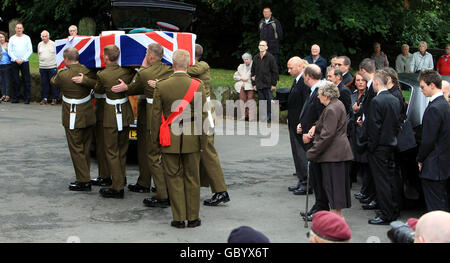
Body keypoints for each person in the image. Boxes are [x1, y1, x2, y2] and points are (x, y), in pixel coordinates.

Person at [151, 49, 207, 228]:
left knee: (173, 178)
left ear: (173, 65)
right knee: (192, 178)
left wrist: (156, 141)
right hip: (192, 138)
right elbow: (203, 117)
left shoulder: (162, 86)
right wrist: (203, 143)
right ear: (188, 65)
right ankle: (193, 218)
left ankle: (179, 218)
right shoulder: (197, 85)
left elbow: (155, 117)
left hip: (169, 138)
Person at [112, 43, 173, 207]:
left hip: (153, 115)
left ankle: (162, 194)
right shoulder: (169, 70)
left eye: (146, 52)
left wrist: (127, 85)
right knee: (160, 151)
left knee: (153, 153)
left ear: (150, 56)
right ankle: (147, 183)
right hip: (166, 115)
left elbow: (131, 89)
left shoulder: (145, 73)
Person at [187, 44, 230, 206]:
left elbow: (187, 71)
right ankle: (210, 188)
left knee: (208, 152)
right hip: (201, 113)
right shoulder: (196, 67)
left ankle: (221, 191)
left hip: (204, 113)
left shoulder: (201, 65)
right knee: (202, 152)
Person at [50, 48, 97, 191]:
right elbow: (97, 83)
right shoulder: (88, 72)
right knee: (85, 147)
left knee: (76, 148)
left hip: (72, 115)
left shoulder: (64, 74)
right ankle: (85, 175)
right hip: (88, 114)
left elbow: (53, 81)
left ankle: (83, 180)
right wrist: (86, 80)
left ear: (66, 59)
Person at [92, 45, 136, 198]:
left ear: (105, 58)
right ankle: (120, 178)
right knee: (122, 149)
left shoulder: (102, 75)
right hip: (125, 113)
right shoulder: (127, 71)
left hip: (111, 115)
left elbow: (98, 90)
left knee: (111, 151)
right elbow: (136, 77)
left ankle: (117, 187)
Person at [306, 81, 354, 217]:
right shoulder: (337, 105)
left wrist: (312, 152)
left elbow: (327, 136)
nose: (317, 96)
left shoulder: (332, 109)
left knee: (334, 190)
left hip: (334, 155)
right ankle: (336, 219)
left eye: (319, 94)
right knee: (336, 190)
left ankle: (336, 222)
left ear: (326, 95)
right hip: (338, 153)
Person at [361, 69, 402, 225]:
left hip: (379, 147)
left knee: (381, 181)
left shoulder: (377, 101)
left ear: (376, 83)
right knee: (390, 179)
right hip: (391, 144)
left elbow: (374, 128)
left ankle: (386, 213)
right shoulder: (395, 99)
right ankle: (393, 209)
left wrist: (371, 146)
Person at [417, 70, 450, 212]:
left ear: (432, 85)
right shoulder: (444, 105)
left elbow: (428, 140)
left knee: (435, 206)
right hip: (442, 163)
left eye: (423, 86)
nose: (421, 90)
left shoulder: (434, 108)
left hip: (434, 165)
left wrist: (420, 158)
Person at [297, 65, 326, 220]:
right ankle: (318, 205)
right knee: (314, 176)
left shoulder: (320, 91)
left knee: (317, 176)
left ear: (308, 76)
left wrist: (312, 130)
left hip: (315, 141)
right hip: (309, 137)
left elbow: (322, 117)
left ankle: (321, 208)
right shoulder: (313, 90)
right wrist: (303, 123)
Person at [286, 56, 310, 194]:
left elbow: (306, 104)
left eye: (291, 68)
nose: (289, 71)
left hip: (300, 124)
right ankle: (301, 178)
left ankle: (307, 182)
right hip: (294, 122)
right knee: (297, 153)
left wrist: (303, 122)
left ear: (300, 67)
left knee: (302, 153)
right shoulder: (297, 81)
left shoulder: (304, 82)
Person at [356, 59, 378, 209]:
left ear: (363, 71)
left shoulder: (374, 87)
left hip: (373, 135)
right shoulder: (371, 87)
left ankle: (374, 196)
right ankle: (369, 193)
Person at [349, 72, 371, 202]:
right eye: (358, 80)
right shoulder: (352, 94)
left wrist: (358, 111)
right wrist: (354, 110)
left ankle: (365, 190)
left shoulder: (368, 95)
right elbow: (349, 111)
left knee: (364, 163)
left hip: (363, 132)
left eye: (363, 80)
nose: (361, 82)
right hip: (353, 130)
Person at [251, 40, 278, 123]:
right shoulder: (256, 57)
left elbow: (275, 71)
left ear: (266, 47)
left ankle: (269, 117)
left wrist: (273, 84)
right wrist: (254, 84)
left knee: (269, 102)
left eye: (263, 45)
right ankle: (263, 118)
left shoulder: (270, 57)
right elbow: (253, 71)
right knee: (262, 102)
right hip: (259, 83)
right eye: (260, 45)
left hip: (268, 84)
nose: (261, 47)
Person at [8, 23, 32, 104]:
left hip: (24, 62)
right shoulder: (12, 38)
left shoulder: (27, 38)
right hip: (14, 62)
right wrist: (15, 59)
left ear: (23, 29)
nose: (19, 29)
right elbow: (10, 50)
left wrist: (23, 59)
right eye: (17, 28)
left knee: (26, 80)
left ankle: (27, 98)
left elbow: (30, 50)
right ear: (15, 29)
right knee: (15, 80)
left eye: (20, 28)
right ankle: (15, 97)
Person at [233, 52, 256, 121]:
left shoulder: (254, 66)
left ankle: (251, 116)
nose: (246, 61)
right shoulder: (241, 66)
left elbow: (255, 76)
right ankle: (244, 116)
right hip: (242, 85)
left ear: (250, 59)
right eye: (244, 59)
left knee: (250, 100)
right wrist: (241, 78)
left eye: (247, 59)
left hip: (250, 85)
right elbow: (235, 76)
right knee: (242, 100)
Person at [38, 30, 58, 105]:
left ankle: (54, 99)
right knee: (44, 83)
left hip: (52, 67)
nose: (44, 38)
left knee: (53, 83)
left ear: (48, 36)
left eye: (45, 36)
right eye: (42, 36)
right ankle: (45, 98)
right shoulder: (39, 44)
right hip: (42, 67)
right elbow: (39, 55)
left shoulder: (53, 44)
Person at [0, 30, 11, 102]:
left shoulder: (8, 44)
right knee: (1, 81)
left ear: (5, 37)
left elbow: (12, 55)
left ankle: (7, 95)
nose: (1, 39)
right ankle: (3, 94)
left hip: (7, 64)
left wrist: (8, 51)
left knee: (7, 80)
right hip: (0, 65)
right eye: (0, 37)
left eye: (2, 37)